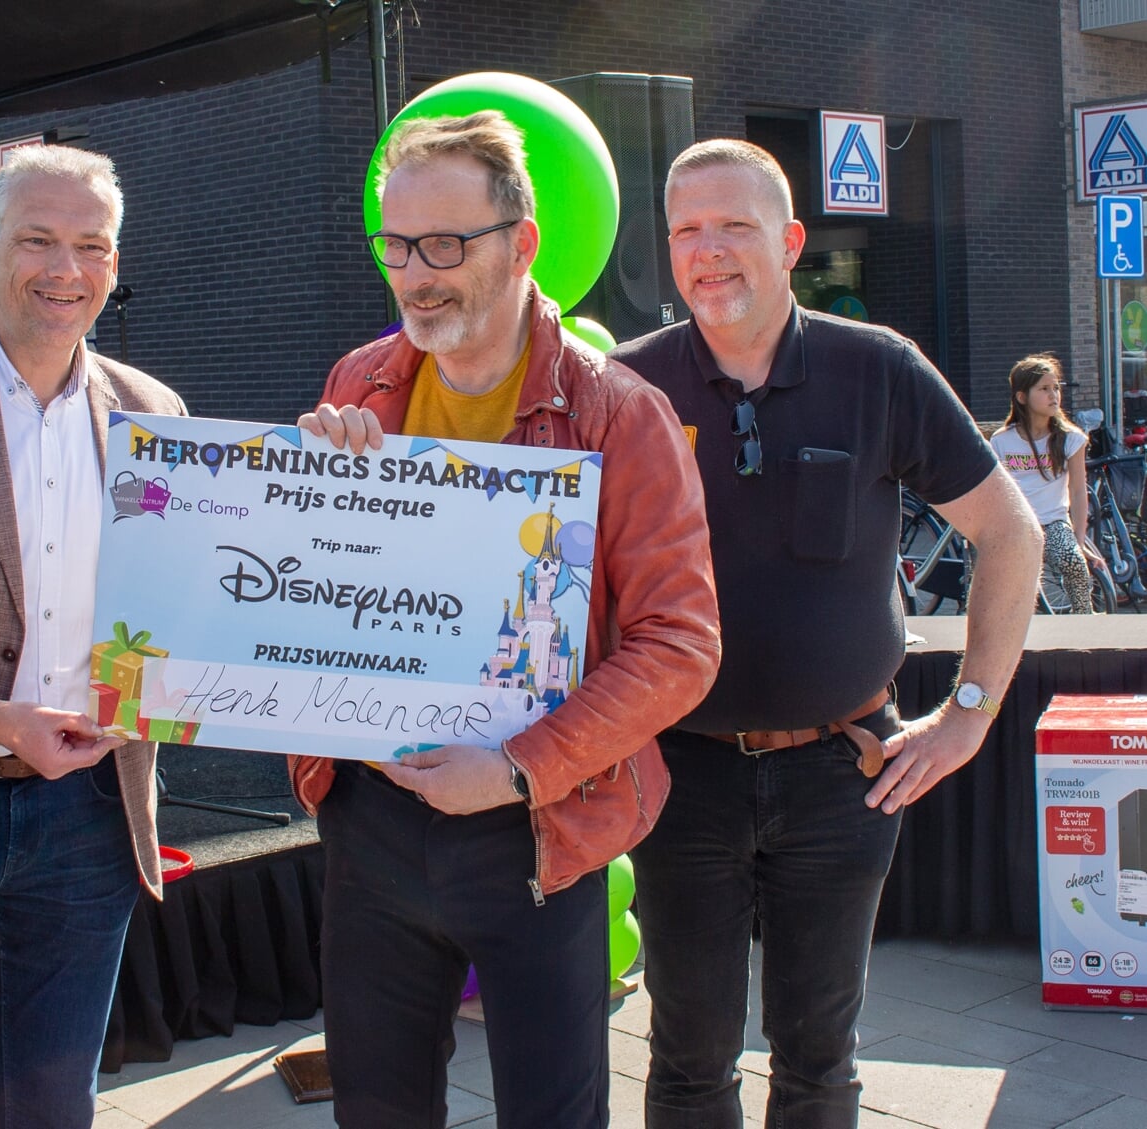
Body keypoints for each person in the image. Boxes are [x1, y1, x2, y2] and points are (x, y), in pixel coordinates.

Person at [292, 111, 723, 1128]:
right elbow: (331, 585)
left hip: (537, 821)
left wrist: (522, 764)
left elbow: (681, 642)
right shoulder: (360, 381)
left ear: (522, 244)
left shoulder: (619, 414)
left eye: (445, 245)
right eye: (395, 246)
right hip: (373, 816)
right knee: (376, 1109)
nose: (414, 273)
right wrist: (317, 483)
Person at [609, 140, 1043, 1128]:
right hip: (679, 777)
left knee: (817, 1063)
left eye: (734, 226)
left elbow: (1009, 533)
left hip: (841, 775)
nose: (707, 250)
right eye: (685, 230)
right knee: (686, 1060)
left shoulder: (877, 369)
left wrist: (968, 714)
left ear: (791, 241)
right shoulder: (626, 386)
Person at [0, 145, 187, 1127]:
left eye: (91, 246)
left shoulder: (156, 415)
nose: (65, 269)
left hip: (92, 814)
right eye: (38, 240)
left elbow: (171, 613)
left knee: (53, 1103)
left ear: (114, 263)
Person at [992, 353, 1105, 613]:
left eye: (1056, 388)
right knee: (999, 577)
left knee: (1074, 563)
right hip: (1016, 524)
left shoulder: (1070, 439)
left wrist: (1079, 541)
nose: (1054, 394)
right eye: (1044, 389)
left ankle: (1084, 621)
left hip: (1053, 523)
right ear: (1022, 397)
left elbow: (1078, 492)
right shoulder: (1001, 440)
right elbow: (998, 491)